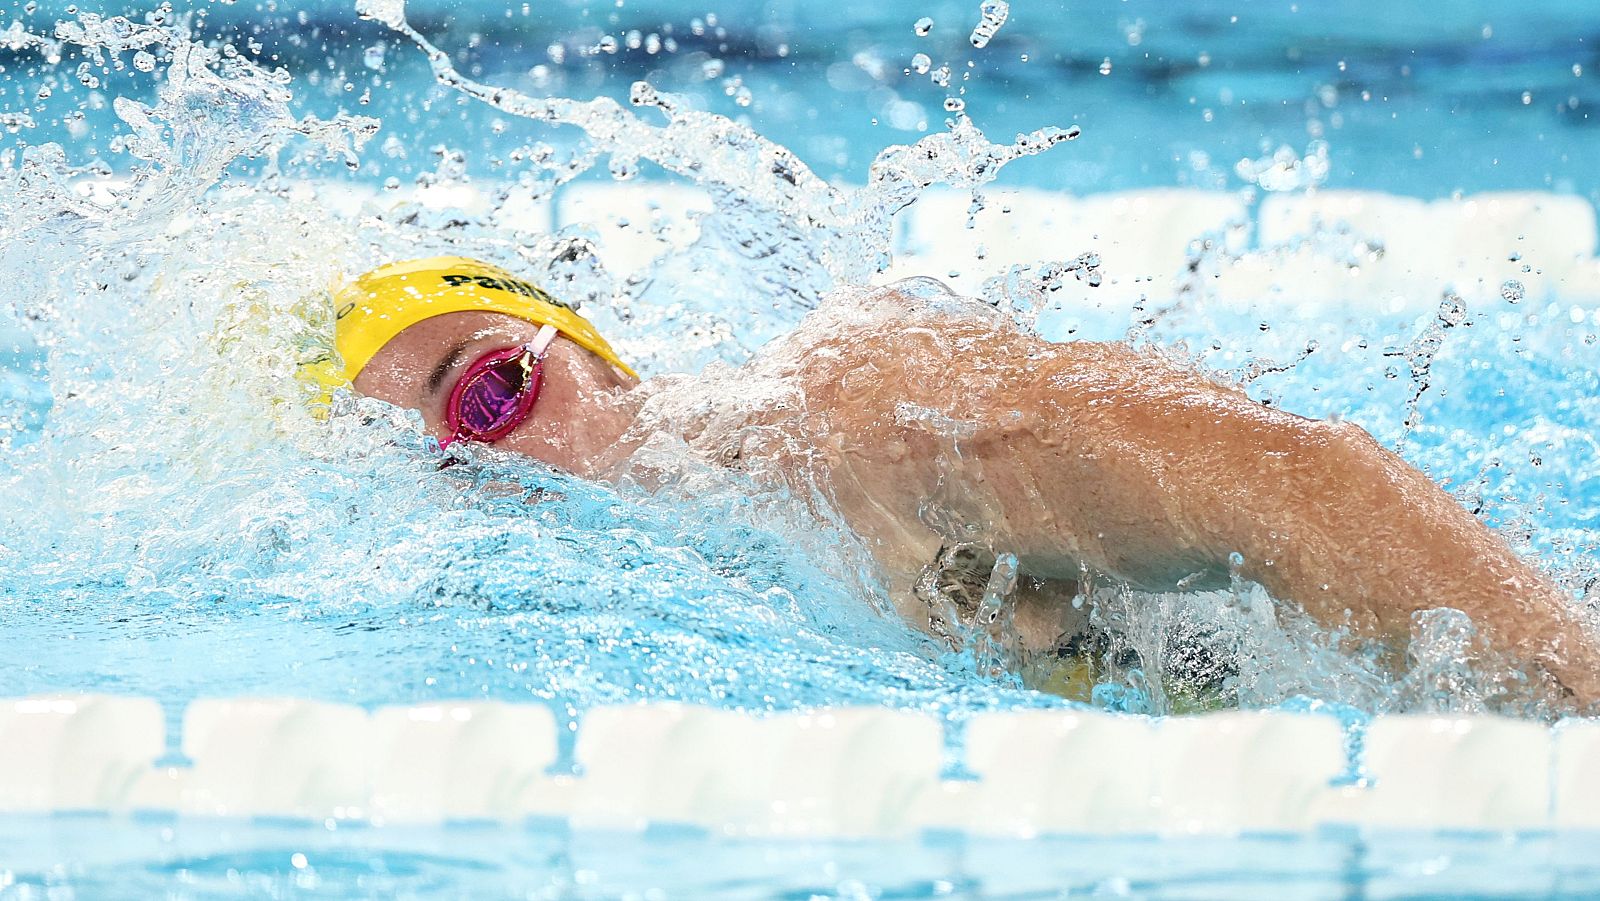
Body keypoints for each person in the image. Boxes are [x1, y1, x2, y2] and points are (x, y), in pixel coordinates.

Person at [304, 255, 1600, 706]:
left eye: (485, 392)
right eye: (422, 465)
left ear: (582, 348)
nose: (482, 464)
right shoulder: (682, 586)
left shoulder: (846, 420)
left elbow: (1315, 483)